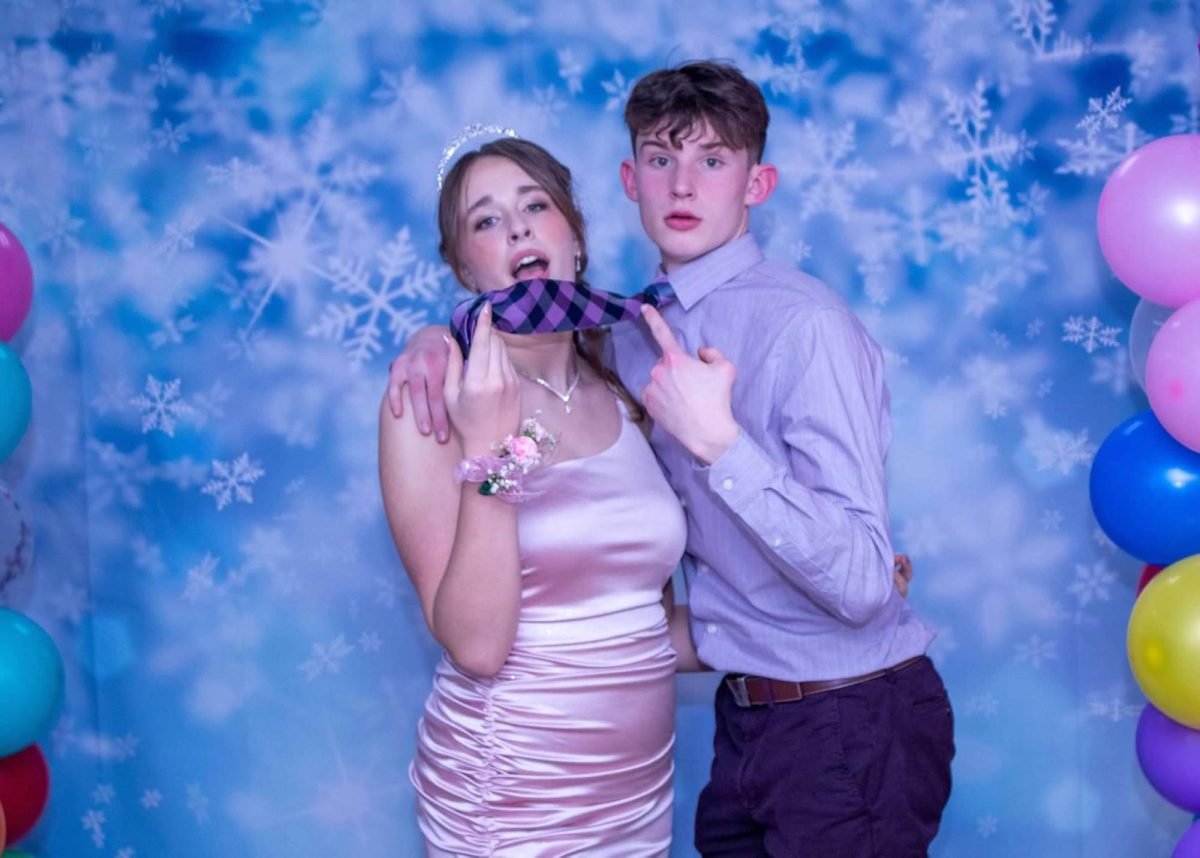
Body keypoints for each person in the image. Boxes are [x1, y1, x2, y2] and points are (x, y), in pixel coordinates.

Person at [387, 60, 953, 857]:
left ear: (757, 184)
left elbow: (858, 586)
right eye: (661, 159)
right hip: (676, 742)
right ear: (630, 179)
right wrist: (432, 338)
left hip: (845, 718)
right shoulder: (621, 341)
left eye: (713, 160)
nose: (683, 185)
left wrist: (723, 445)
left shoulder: (804, 328)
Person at [379, 136, 699, 856]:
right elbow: (478, 645)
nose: (518, 227)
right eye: (486, 221)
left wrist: (816, 615)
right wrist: (492, 449)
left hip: (637, 800)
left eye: (535, 205)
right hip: (515, 796)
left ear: (575, 239)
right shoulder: (432, 399)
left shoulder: (626, 391)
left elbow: (641, 628)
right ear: (465, 267)